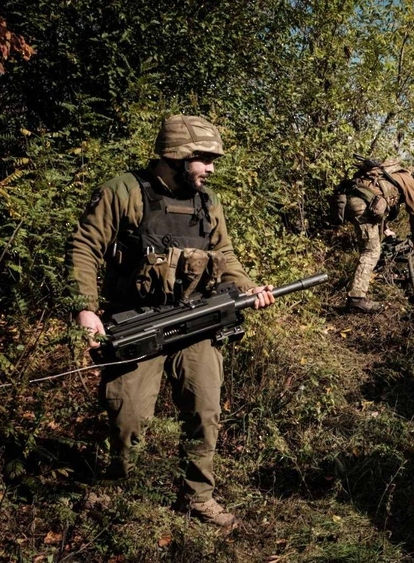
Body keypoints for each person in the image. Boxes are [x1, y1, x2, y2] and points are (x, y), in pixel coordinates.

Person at [66, 114, 275, 530]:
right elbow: (84, 246)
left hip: (195, 319)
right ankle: (117, 489)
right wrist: (85, 308)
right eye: (204, 159)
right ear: (177, 156)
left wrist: (248, 288)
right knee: (128, 416)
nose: (211, 168)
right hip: (136, 323)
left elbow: (224, 254)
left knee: (204, 409)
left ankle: (198, 497)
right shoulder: (124, 191)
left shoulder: (207, 202)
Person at [336, 156, 414, 313]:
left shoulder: (388, 175)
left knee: (369, 247)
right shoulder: (409, 180)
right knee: (371, 251)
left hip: (351, 200)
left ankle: (359, 288)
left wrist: (385, 229)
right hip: (362, 205)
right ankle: (356, 299)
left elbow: (378, 200)